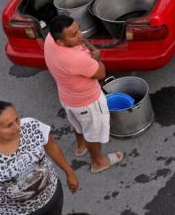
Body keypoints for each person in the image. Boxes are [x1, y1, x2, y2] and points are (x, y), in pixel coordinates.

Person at [43, 15, 123, 174]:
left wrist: (84, 43)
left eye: (78, 29)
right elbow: (101, 73)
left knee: (77, 122)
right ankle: (98, 161)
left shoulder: (50, 40)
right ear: (61, 41)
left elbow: (79, 40)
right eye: (74, 35)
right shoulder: (76, 59)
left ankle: (81, 146)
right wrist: (97, 57)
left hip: (67, 97)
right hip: (88, 102)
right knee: (93, 133)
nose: (80, 34)